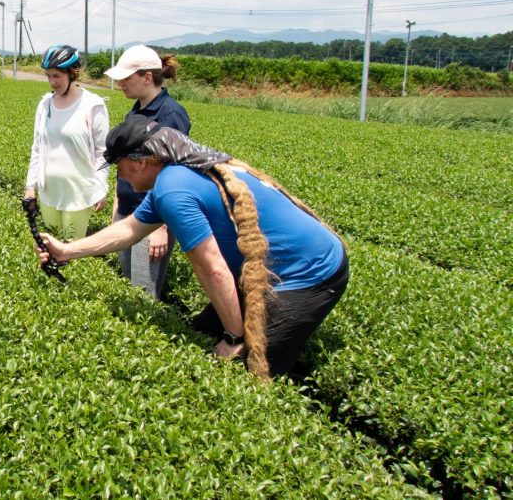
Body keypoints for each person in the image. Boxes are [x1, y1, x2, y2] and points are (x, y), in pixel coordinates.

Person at [36, 116, 349, 380]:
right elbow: (130, 229)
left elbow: (212, 269)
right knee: (200, 332)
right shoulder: (175, 176)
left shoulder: (174, 189)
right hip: (268, 266)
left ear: (142, 160)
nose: (121, 177)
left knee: (249, 367)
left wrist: (233, 337)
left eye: (121, 167)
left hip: (309, 273)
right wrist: (68, 250)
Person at [104, 45, 191, 301]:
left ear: (147, 77)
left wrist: (161, 227)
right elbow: (126, 160)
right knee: (128, 283)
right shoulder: (137, 109)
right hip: (128, 210)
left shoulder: (171, 114)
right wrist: (118, 204)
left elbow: (172, 170)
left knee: (143, 292)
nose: (120, 83)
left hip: (151, 218)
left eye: (126, 78)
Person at [23, 44, 109, 240]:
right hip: (49, 191)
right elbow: (37, 147)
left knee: (70, 249)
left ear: (72, 74)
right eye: (48, 76)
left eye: (57, 76)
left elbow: (102, 152)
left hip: (78, 193)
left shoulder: (93, 106)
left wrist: (101, 187)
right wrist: (30, 186)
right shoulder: (45, 105)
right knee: (50, 246)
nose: (52, 82)